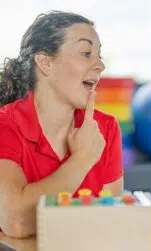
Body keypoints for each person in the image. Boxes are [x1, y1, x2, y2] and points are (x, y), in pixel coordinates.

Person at [0, 11, 124, 238]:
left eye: (99, 55)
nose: (100, 65)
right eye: (86, 53)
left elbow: (111, 220)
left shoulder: (105, 127)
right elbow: (17, 222)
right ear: (45, 63)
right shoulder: (4, 125)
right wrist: (82, 160)